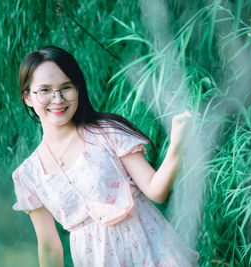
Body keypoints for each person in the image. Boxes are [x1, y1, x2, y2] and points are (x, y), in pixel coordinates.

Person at [12, 46, 199, 266]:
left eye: (66, 87)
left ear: (78, 89)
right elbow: (49, 247)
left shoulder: (106, 133)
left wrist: (177, 145)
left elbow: (156, 190)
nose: (58, 98)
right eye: (44, 90)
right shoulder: (28, 175)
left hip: (153, 254)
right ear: (27, 97)